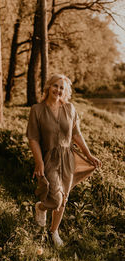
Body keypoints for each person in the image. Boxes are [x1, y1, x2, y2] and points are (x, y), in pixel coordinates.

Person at [26, 73, 102, 249]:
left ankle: (54, 231)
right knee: (55, 199)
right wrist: (39, 162)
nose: (58, 90)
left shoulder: (70, 108)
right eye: (55, 86)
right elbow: (33, 138)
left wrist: (89, 155)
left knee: (65, 198)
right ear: (48, 87)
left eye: (62, 87)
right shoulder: (37, 110)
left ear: (65, 91)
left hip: (68, 158)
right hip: (49, 158)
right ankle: (41, 207)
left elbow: (76, 134)